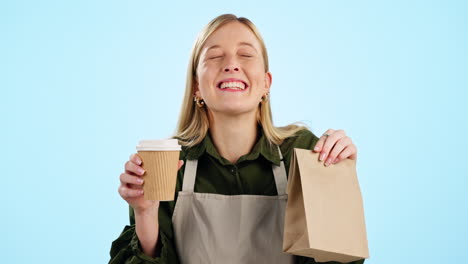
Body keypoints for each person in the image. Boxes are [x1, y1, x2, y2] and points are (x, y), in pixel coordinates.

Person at [109, 14, 362, 264]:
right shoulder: (168, 162)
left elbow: (337, 260)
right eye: (215, 56)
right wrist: (145, 213)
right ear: (197, 86)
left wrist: (337, 182)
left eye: (246, 55)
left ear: (266, 83)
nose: (231, 64)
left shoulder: (302, 151)